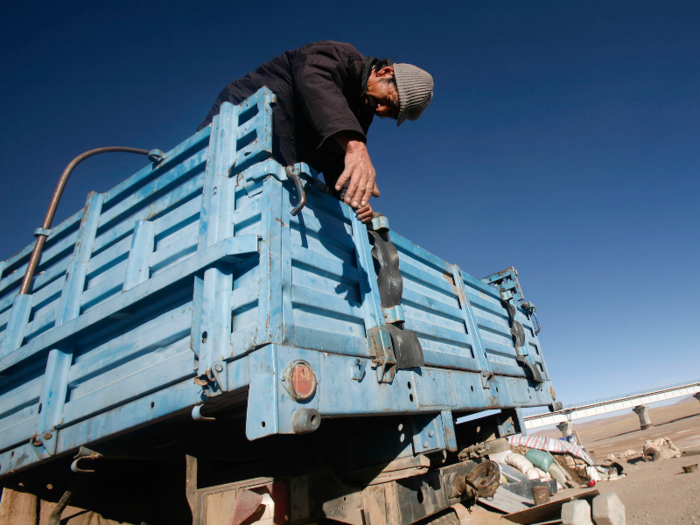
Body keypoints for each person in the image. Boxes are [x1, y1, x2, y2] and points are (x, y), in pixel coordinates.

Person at [198, 41, 433, 222]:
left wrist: (353, 197)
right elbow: (314, 79)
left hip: (271, 169)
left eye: (389, 114)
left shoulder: (361, 116)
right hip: (238, 127)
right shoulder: (344, 56)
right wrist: (355, 144)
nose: (382, 110)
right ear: (384, 73)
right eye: (388, 101)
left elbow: (337, 162)